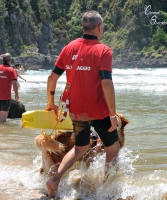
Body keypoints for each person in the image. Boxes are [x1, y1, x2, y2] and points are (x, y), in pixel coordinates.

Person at [45, 10, 119, 198]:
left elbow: (52, 77)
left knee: (80, 148)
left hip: (76, 111)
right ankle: (107, 191)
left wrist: (51, 103)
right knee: (112, 148)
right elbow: (106, 83)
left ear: (83, 27)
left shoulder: (69, 48)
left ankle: (55, 179)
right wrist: (112, 114)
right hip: (99, 111)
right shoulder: (103, 50)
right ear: (100, 28)